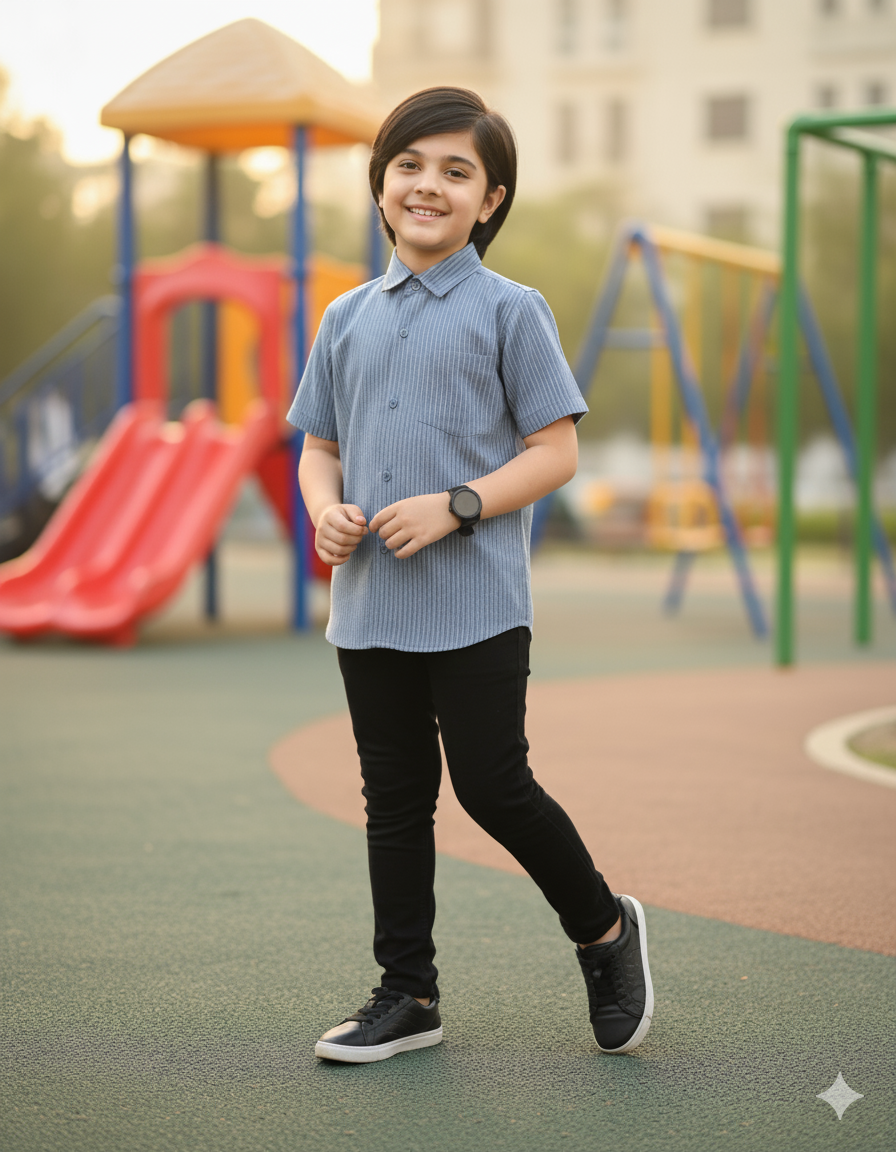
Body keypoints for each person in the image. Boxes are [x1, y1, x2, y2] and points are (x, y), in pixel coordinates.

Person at [288, 86, 653, 1064]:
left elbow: (553, 452)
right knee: (395, 801)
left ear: (488, 201)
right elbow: (316, 446)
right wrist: (324, 505)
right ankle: (407, 994)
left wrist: (456, 505)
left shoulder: (510, 311)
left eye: (456, 172)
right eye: (410, 164)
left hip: (477, 605)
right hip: (367, 607)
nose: (428, 185)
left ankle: (604, 932)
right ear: (380, 185)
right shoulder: (344, 317)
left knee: (492, 786)